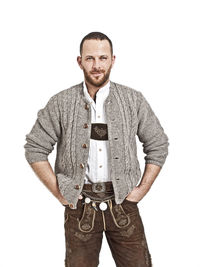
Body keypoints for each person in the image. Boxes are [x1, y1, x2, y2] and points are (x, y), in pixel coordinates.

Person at [24, 31, 169, 267]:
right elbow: (35, 148)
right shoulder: (61, 102)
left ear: (113, 60)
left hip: (124, 204)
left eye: (103, 58)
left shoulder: (133, 100)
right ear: (79, 61)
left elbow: (158, 144)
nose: (96, 65)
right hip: (79, 207)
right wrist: (59, 193)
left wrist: (142, 189)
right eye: (90, 58)